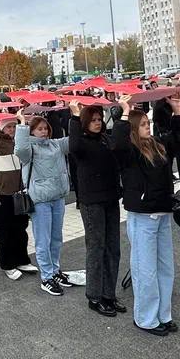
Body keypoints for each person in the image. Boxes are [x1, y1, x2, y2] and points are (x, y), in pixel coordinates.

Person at [112, 97, 176, 336]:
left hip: (162, 213)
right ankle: (146, 318)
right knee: (145, 269)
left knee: (165, 267)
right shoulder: (129, 152)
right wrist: (126, 112)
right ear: (133, 128)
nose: (147, 127)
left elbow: (177, 141)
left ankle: (164, 314)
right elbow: (117, 144)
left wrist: (178, 111)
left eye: (148, 123)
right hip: (142, 216)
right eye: (142, 124)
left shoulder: (157, 145)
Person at [68, 101, 125, 317]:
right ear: (84, 123)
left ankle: (109, 293)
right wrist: (73, 117)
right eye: (92, 120)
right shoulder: (81, 143)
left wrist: (122, 117)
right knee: (96, 247)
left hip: (110, 198)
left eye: (99, 120)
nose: (97, 123)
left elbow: (119, 147)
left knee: (113, 248)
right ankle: (94, 295)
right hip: (92, 202)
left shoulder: (104, 139)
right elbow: (72, 147)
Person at [15, 112, 72, 296]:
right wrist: (22, 125)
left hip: (58, 197)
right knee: (43, 240)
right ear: (31, 132)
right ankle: (46, 277)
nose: (44, 131)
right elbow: (20, 148)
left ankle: (55, 271)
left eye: (45, 128)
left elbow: (73, 140)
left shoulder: (55, 144)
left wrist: (78, 116)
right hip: (40, 200)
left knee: (56, 238)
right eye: (39, 129)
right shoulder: (29, 150)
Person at [0, 117, 35, 280]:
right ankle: (7, 264)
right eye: (8, 126)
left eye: (14, 126)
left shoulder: (19, 142)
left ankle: (22, 259)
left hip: (19, 192)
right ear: (2, 128)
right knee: (4, 231)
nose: (11, 129)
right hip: (2, 194)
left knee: (21, 229)